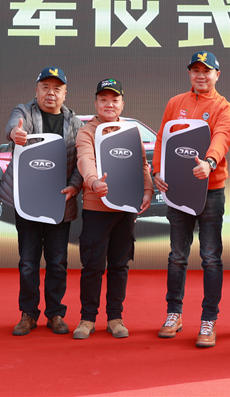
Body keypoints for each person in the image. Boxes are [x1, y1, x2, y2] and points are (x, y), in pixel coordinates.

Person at [153, 51, 230, 348]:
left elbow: (222, 137)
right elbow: (162, 138)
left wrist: (210, 162)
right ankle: (173, 314)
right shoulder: (176, 103)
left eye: (206, 70)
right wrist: (157, 170)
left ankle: (208, 319)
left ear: (217, 75)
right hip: (178, 190)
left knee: (210, 257)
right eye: (195, 70)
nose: (201, 75)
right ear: (190, 74)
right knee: (177, 256)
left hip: (211, 190)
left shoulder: (224, 107)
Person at [0, 67, 83, 336]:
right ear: (36, 90)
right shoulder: (24, 111)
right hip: (28, 201)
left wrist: (74, 185)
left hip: (60, 203)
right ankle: (28, 314)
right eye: (45, 87)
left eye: (57, 88)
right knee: (28, 261)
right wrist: (15, 134)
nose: (51, 93)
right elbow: (13, 127)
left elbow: (80, 162)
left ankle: (55, 314)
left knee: (57, 262)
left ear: (65, 93)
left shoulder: (75, 123)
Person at [73, 79, 153, 339]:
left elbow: (142, 164)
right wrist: (93, 181)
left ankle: (115, 318)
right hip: (97, 209)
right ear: (96, 103)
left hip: (126, 209)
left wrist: (148, 190)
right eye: (104, 99)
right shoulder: (87, 131)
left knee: (119, 266)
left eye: (114, 100)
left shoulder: (131, 131)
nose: (109, 104)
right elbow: (85, 159)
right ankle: (87, 319)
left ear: (122, 104)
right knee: (92, 266)